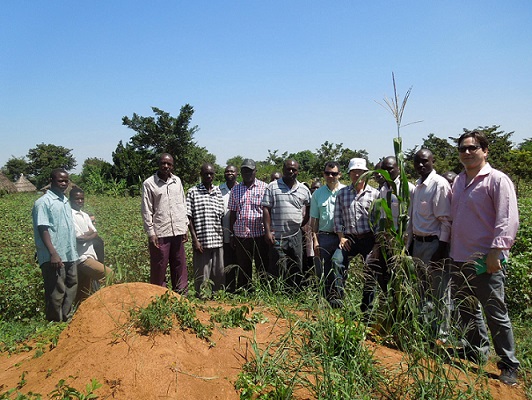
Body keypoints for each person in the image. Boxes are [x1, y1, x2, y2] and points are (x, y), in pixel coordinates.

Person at [450, 131, 520, 386]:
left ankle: (509, 364)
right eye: (462, 149)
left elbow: (507, 218)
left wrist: (497, 251)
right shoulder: (459, 181)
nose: (467, 152)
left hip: (485, 259)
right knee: (467, 309)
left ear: (485, 150)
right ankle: (475, 350)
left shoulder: (497, 180)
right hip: (459, 256)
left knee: (495, 312)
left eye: (473, 148)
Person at [407, 149, 452, 339]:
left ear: (433, 161)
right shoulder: (417, 186)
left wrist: (441, 250)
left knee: (439, 292)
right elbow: (412, 219)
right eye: (417, 162)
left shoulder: (439, 184)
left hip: (434, 245)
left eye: (425, 161)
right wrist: (409, 244)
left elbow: (446, 221)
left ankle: (441, 336)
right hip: (418, 244)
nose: (421, 165)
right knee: (422, 291)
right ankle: (425, 331)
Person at [32, 168, 78, 322]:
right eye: (60, 181)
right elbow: (43, 228)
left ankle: (66, 319)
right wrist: (52, 253)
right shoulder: (43, 203)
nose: (64, 183)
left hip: (69, 252)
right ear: (51, 181)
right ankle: (54, 323)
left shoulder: (64, 200)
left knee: (71, 285)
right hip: (55, 254)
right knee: (56, 291)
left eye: (66, 181)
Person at [333, 158, 379, 309]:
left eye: (360, 172)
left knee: (371, 268)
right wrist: (341, 237)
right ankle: (338, 304)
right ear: (349, 174)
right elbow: (338, 218)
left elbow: (379, 221)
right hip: (349, 239)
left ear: (366, 174)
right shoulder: (342, 194)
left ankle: (367, 308)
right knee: (337, 261)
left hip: (368, 238)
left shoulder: (375, 194)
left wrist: (377, 243)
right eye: (354, 172)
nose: (357, 175)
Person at [141, 153, 189, 294]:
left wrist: (184, 226)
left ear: (172, 166)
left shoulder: (177, 181)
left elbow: (182, 203)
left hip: (178, 231)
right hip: (160, 232)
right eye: (163, 163)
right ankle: (159, 296)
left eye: (169, 164)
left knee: (179, 265)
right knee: (159, 266)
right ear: (158, 164)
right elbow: (146, 210)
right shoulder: (149, 183)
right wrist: (151, 233)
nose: (166, 166)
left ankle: (181, 295)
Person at [262, 159, 311, 289]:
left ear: (298, 172)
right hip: (277, 235)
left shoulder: (304, 189)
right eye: (288, 169)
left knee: (296, 265)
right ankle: (276, 294)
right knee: (277, 267)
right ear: (283, 170)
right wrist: (267, 231)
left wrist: (302, 223)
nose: (291, 171)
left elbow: (309, 207)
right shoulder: (272, 187)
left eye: (294, 169)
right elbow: (266, 209)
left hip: (295, 234)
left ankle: (294, 293)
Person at [228, 159, 269, 291]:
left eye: (250, 170)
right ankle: (245, 291)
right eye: (245, 171)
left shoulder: (264, 187)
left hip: (259, 234)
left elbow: (268, 212)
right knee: (243, 265)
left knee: (262, 266)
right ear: (241, 173)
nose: (247, 173)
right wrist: (232, 234)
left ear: (255, 171)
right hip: (241, 235)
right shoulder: (236, 189)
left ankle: (264, 291)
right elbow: (233, 213)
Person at [309, 162, 346, 303]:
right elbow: (315, 220)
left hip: (341, 238)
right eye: (327, 173)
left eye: (334, 173)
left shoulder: (346, 191)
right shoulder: (318, 194)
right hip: (324, 236)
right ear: (324, 174)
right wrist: (315, 241)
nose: (330, 176)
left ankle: (339, 300)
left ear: (340, 175)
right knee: (324, 270)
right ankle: (325, 300)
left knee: (338, 265)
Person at [187, 163, 225, 296]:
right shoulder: (193, 192)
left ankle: (218, 297)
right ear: (201, 175)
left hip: (217, 239)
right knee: (202, 273)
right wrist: (195, 239)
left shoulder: (217, 191)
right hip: (202, 241)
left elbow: (221, 215)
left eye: (211, 173)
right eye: (205, 174)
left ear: (214, 175)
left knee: (219, 272)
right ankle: (202, 298)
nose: (208, 176)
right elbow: (189, 217)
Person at [69, 187, 113, 304]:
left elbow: (95, 232)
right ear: (71, 199)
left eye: (82, 199)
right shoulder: (69, 215)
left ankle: (81, 312)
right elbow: (79, 238)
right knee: (108, 274)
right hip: (81, 257)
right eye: (77, 199)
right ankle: (106, 302)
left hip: (91, 254)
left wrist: (87, 235)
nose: (80, 201)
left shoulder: (85, 215)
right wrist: (90, 235)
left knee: (84, 290)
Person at [220, 165, 239, 289]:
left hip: (239, 233)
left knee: (239, 262)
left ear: (237, 174)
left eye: (232, 171)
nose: (229, 173)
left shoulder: (241, 189)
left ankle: (239, 287)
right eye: (227, 171)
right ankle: (228, 287)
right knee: (226, 261)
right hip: (223, 233)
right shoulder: (218, 190)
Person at [303, 180, 321, 277]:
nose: (316, 190)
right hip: (306, 240)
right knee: (307, 264)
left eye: (318, 188)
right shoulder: (306, 205)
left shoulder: (322, 204)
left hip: (319, 240)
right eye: (314, 187)